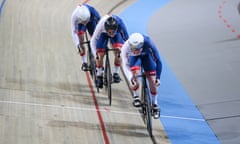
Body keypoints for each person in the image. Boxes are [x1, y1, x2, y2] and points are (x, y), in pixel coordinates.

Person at [121, 33, 162, 119]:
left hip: (147, 56)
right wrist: (131, 79)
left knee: (152, 80)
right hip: (134, 58)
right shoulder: (125, 47)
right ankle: (136, 96)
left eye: (137, 49)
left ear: (142, 45)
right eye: (133, 49)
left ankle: (155, 103)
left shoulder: (148, 43)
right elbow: (125, 65)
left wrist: (158, 78)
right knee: (135, 73)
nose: (135, 51)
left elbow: (158, 61)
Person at [90, 14, 129, 88]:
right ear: (106, 29)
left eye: (112, 32)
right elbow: (93, 41)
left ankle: (116, 73)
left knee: (119, 52)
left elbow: (127, 40)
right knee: (100, 54)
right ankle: (99, 75)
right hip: (103, 34)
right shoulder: (101, 25)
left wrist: (123, 50)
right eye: (109, 32)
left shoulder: (120, 24)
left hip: (116, 35)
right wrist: (96, 55)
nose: (111, 34)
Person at [71, 4, 101, 71]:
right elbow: (74, 32)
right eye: (83, 21)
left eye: (86, 21)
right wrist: (78, 45)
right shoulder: (74, 16)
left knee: (96, 38)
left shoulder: (93, 12)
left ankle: (97, 60)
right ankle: (84, 62)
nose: (85, 23)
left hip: (91, 21)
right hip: (80, 24)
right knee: (80, 39)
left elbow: (100, 23)